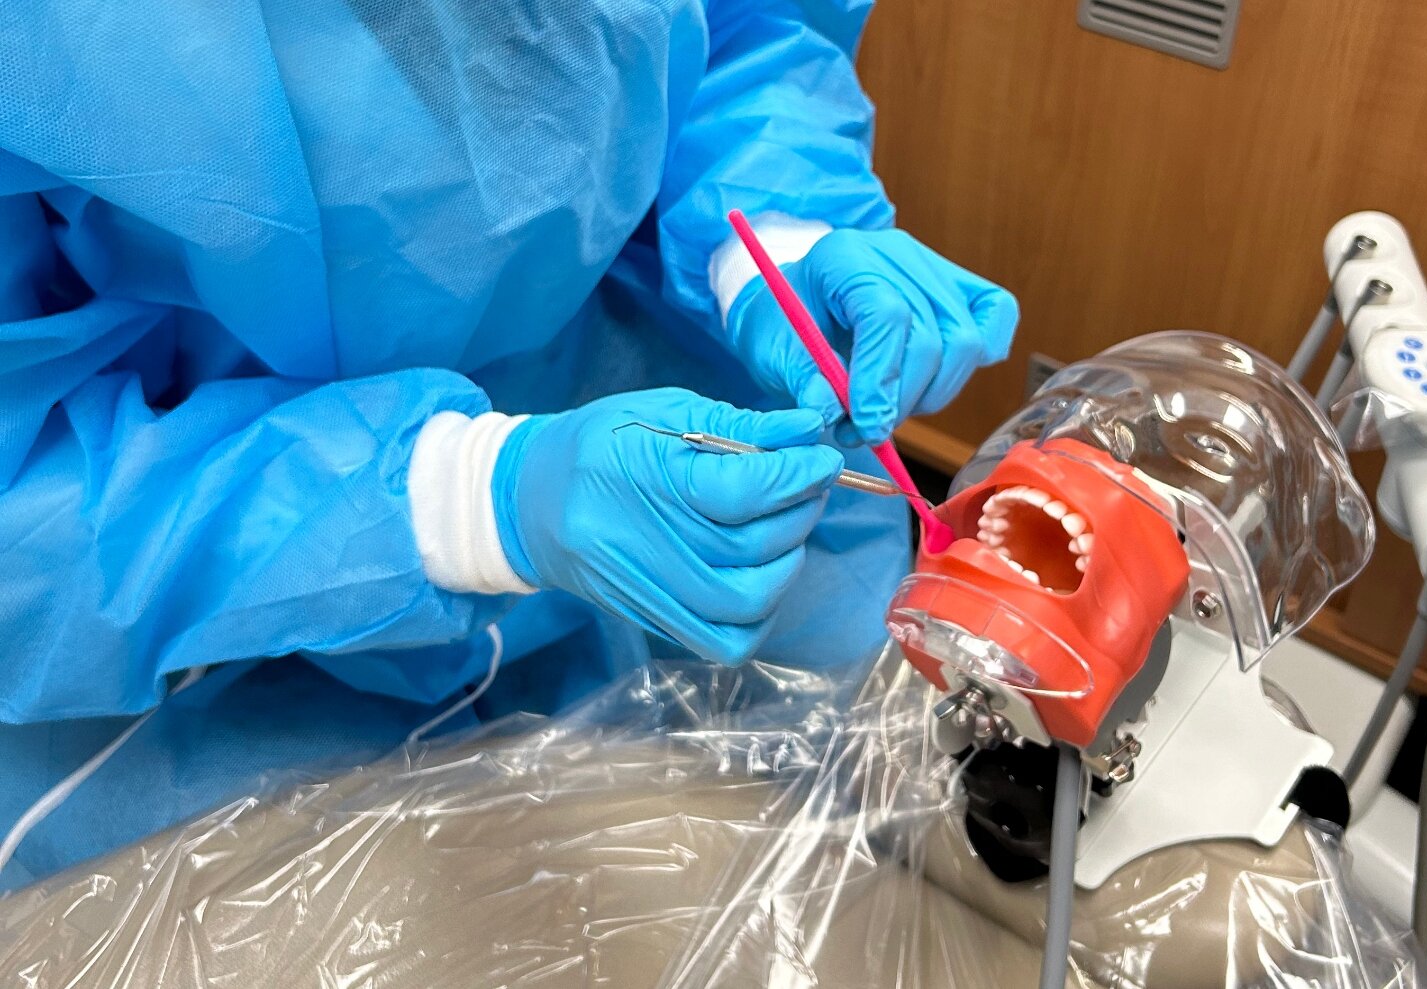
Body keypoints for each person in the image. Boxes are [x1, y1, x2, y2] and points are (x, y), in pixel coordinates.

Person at [0, 0, 1017, 889]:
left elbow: (743, 28)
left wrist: (778, 231)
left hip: (634, 402)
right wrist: (458, 498)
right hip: (201, 619)